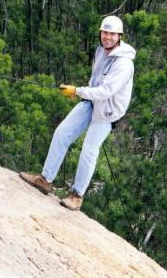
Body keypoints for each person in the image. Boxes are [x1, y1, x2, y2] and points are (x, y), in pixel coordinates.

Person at [19, 15, 136, 211]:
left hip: (108, 111)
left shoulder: (124, 64)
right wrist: (82, 93)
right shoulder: (100, 51)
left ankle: (77, 196)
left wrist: (76, 91)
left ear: (119, 36)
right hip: (91, 102)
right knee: (62, 132)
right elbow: (95, 81)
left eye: (112, 34)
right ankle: (45, 180)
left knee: (89, 150)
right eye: (104, 32)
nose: (107, 37)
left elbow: (106, 91)